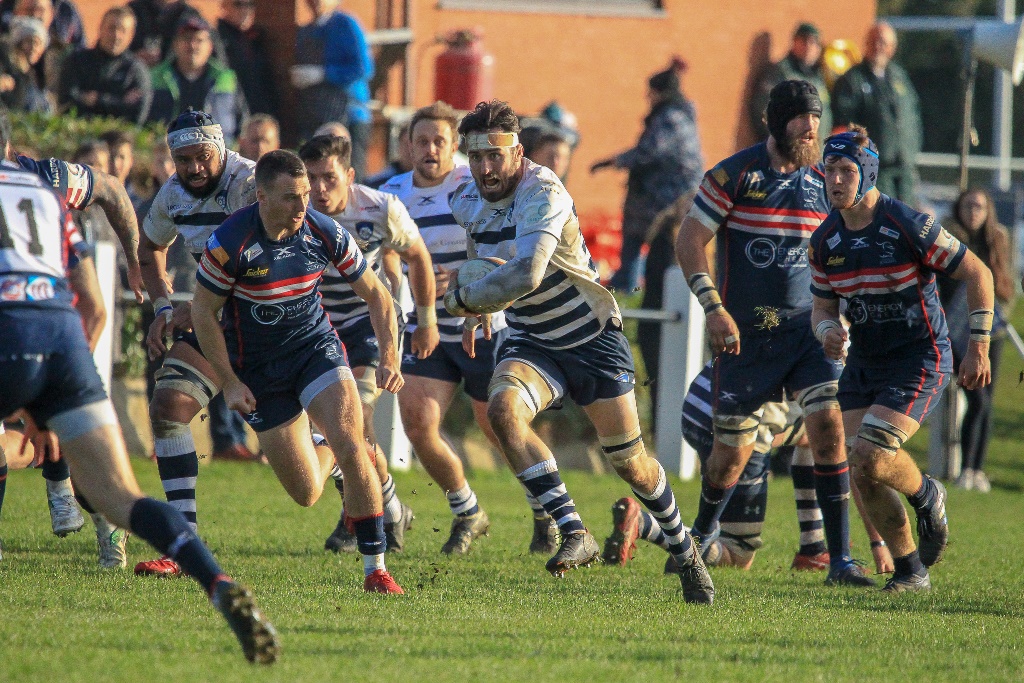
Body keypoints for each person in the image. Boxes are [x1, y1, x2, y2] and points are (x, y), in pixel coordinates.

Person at [0, 124, 279, 661]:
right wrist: (55, 389)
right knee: (124, 496)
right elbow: (96, 306)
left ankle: (56, 480)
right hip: (60, 340)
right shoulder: (44, 188)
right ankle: (216, 581)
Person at [444, 100, 713, 603]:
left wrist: (464, 299)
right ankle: (574, 532)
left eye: (495, 157)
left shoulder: (542, 191)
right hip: (533, 339)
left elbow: (525, 273)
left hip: (590, 338)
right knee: (503, 412)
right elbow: (483, 246)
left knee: (631, 462)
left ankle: (684, 548)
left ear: (517, 152)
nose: (485, 168)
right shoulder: (466, 196)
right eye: (476, 157)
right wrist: (484, 303)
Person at [675, 80, 873, 587]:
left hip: (810, 332)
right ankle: (696, 540)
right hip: (747, 338)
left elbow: (852, 245)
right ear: (777, 120)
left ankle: (839, 560)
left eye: (816, 117)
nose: (811, 128)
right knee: (730, 455)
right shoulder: (734, 175)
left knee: (828, 427)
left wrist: (844, 314)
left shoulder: (823, 179)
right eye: (800, 118)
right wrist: (713, 308)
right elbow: (690, 240)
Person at [192, 149, 405, 594]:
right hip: (260, 371)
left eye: (306, 194)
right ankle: (328, 444)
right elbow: (202, 312)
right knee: (307, 492)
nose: (304, 205)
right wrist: (229, 383)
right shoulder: (230, 241)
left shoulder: (323, 231)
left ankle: (376, 570)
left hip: (315, 350)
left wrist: (390, 355)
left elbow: (378, 295)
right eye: (291, 197)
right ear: (261, 196)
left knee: (354, 442)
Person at [810, 127, 994, 592]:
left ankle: (928, 493)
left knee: (872, 455)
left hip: (920, 357)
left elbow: (978, 271)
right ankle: (912, 571)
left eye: (846, 171)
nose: (835, 180)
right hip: (865, 363)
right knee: (861, 466)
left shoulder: (905, 223)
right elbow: (822, 307)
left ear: (867, 174)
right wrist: (829, 330)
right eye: (829, 170)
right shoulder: (825, 240)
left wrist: (978, 344)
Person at [380, 101, 521, 555]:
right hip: (428, 327)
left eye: (439, 141)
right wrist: (399, 272)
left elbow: (505, 240)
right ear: (408, 146)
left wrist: (463, 274)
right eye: (421, 141)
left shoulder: (471, 182)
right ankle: (468, 512)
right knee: (418, 423)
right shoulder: (392, 191)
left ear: (454, 145)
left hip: (481, 324)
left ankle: (547, 511)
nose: (430, 149)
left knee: (499, 428)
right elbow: (383, 245)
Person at [133, 110, 260, 578]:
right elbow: (149, 250)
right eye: (181, 159)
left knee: (313, 457)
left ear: (221, 147)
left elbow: (267, 252)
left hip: (278, 323)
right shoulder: (173, 194)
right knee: (168, 408)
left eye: (201, 156)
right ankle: (182, 547)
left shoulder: (249, 183)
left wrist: (202, 303)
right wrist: (165, 307)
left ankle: (378, 501)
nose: (193, 169)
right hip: (218, 327)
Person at [297, 134, 435, 553]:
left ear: (350, 175)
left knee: (351, 424)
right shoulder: (291, 212)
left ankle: (358, 518)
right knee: (337, 434)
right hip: (313, 329)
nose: (320, 189)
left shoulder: (379, 208)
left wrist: (426, 319)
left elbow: (419, 256)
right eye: (312, 179)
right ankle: (386, 507)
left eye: (329, 178)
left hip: (365, 326)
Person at [591, 58, 703, 292]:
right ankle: (627, 284)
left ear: (660, 93)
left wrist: (614, 161)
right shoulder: (678, 116)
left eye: (651, 93)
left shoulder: (671, 119)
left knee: (635, 236)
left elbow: (649, 152)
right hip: (667, 195)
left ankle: (626, 287)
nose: (648, 98)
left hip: (668, 199)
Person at [943, 189, 1014, 492]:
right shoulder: (948, 239)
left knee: (986, 403)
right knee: (976, 398)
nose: (973, 211)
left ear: (988, 212)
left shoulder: (997, 241)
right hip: (956, 332)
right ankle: (964, 468)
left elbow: (1007, 285)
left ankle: (976, 469)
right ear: (959, 208)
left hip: (990, 333)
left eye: (980, 207)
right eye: (968, 205)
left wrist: (999, 315)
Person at [832, 21, 922, 204]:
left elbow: (914, 114)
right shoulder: (853, 79)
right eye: (874, 41)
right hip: (875, 168)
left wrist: (913, 148)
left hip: (904, 165)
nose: (878, 47)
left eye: (883, 43)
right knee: (883, 215)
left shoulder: (899, 77)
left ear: (892, 48)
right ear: (866, 44)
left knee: (907, 219)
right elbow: (844, 120)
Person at [292, 0, 373, 179]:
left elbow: (363, 69)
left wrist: (322, 74)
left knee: (351, 177)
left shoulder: (346, 24)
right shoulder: (307, 31)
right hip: (317, 117)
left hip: (351, 116)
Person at [149, 16, 247, 143]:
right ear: (175, 44)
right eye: (187, 39)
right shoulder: (154, 77)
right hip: (168, 155)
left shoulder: (226, 78)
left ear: (210, 46)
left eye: (199, 40)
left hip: (217, 154)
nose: (192, 46)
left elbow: (243, 120)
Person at [57, 6, 152, 124]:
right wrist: (120, 102)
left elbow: (137, 115)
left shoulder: (136, 71)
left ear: (131, 35)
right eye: (111, 28)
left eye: (123, 30)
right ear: (101, 28)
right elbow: (67, 103)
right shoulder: (77, 61)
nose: (116, 35)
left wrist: (98, 100)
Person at [750, 23, 832, 140]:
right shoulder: (781, 73)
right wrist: (781, 145)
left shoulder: (819, 79)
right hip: (788, 152)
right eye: (804, 41)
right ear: (794, 42)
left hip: (815, 154)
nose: (808, 46)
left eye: (814, 42)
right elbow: (763, 110)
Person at [217, 0, 278, 118]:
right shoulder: (217, 40)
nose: (245, 10)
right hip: (232, 115)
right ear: (224, 6)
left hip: (260, 115)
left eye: (250, 4)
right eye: (238, 4)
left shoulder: (257, 39)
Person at [0, 15, 51, 113]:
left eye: (37, 43)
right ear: (19, 43)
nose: (33, 47)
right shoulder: (7, 68)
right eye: (29, 41)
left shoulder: (36, 77)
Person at [364, 122, 413, 190]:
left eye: (417, 145)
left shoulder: (431, 184)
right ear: (398, 146)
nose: (411, 150)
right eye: (407, 145)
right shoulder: (377, 183)